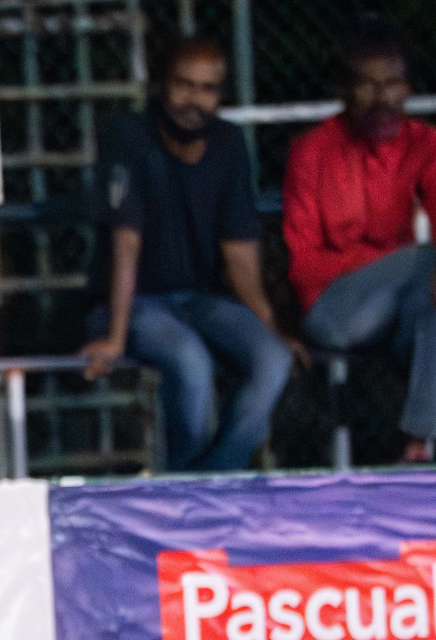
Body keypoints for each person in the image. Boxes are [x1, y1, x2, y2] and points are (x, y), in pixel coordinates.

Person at [82, 38, 301, 472]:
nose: (194, 100)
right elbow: (126, 242)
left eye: (208, 89)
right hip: (130, 303)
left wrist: (273, 328)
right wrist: (116, 336)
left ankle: (215, 476)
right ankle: (186, 484)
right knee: (190, 361)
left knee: (274, 358)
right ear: (161, 85)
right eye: (183, 85)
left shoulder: (229, 144)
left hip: (198, 300)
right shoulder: (129, 137)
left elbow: (239, 252)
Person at [283, 21, 436, 463]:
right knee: (428, 263)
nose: (382, 98)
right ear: (345, 91)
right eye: (367, 85)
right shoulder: (312, 151)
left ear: (408, 87)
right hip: (332, 311)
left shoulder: (425, 144)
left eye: (392, 84)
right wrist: (389, 260)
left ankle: (417, 444)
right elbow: (304, 267)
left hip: (400, 310)